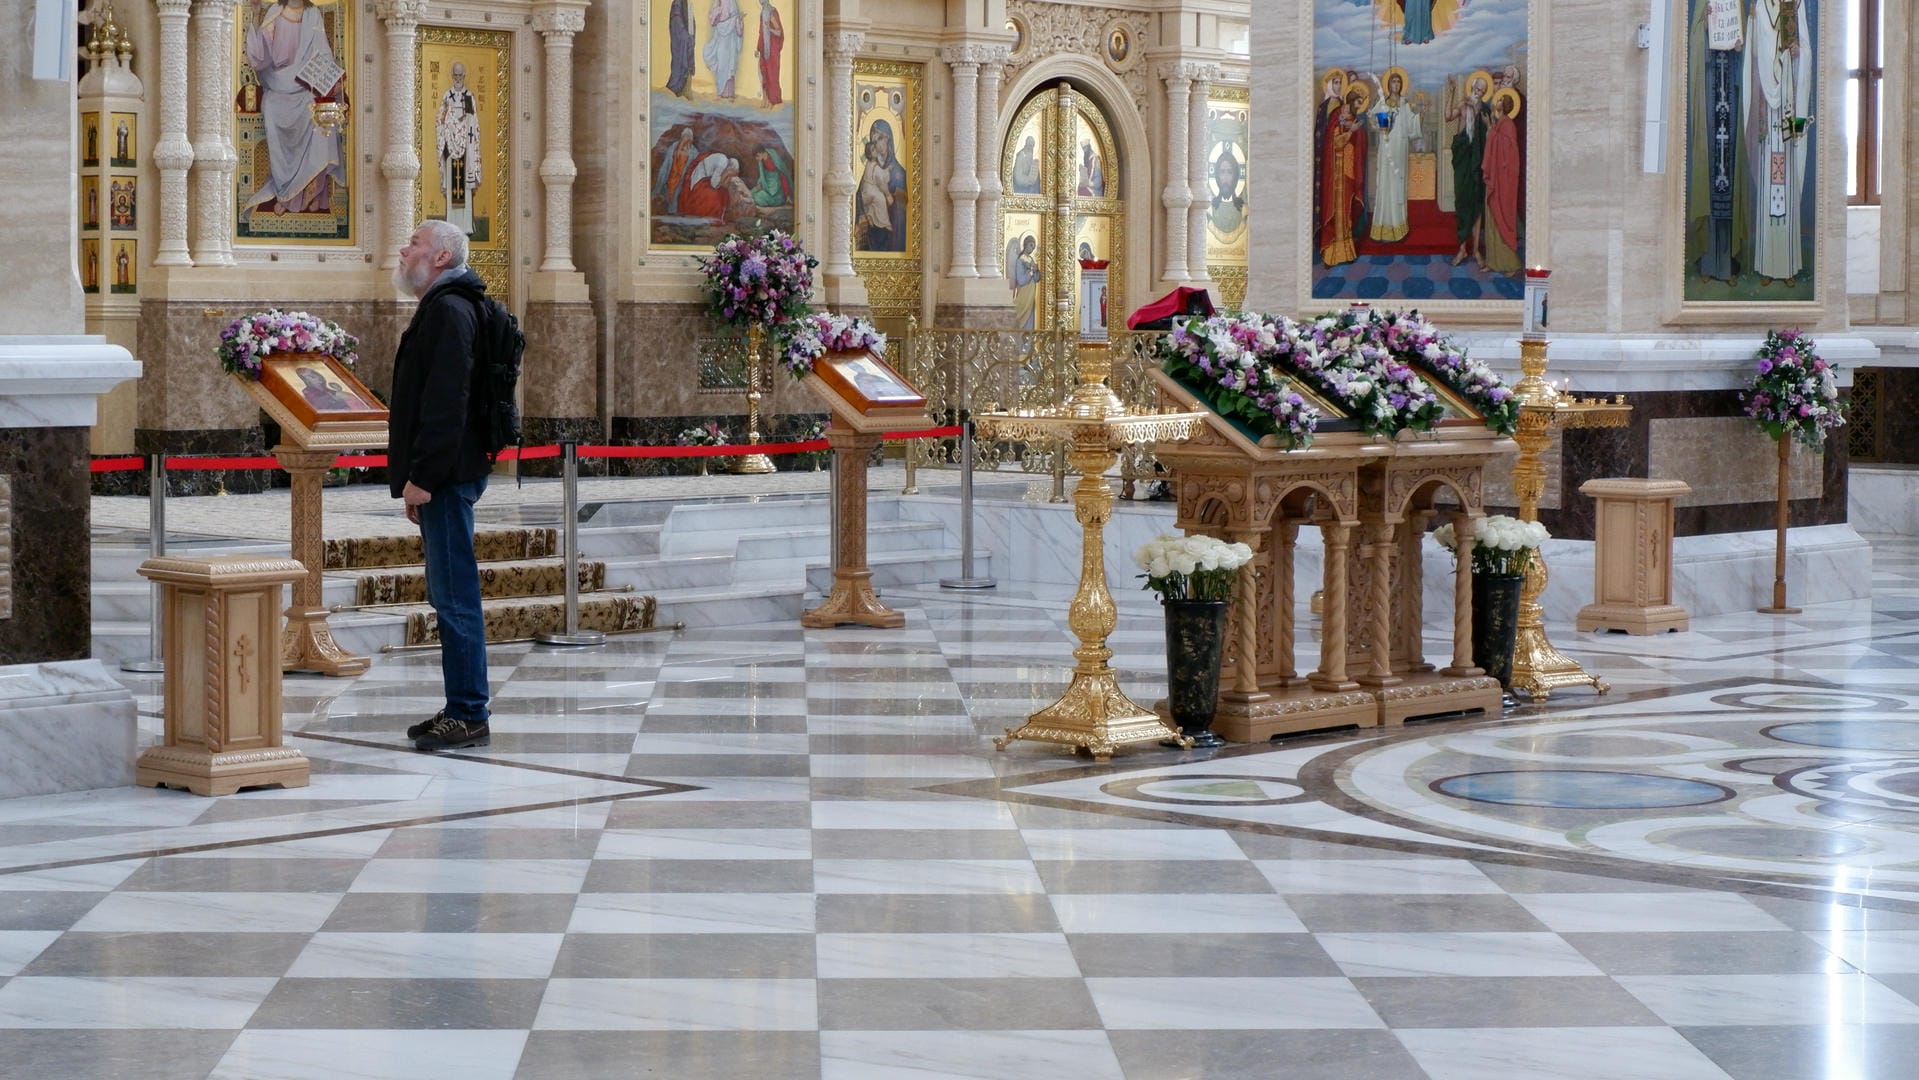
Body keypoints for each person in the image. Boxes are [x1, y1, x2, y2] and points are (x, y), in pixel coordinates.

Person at [388, 220, 495, 752]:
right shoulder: (447, 305)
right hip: (446, 474)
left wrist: (424, 478)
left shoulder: (450, 310)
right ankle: (461, 707)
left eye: (415, 244)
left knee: (454, 596)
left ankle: (469, 712)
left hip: (447, 475)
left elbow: (446, 404)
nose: (404, 249)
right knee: (449, 592)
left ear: (441, 256)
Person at [242, 0, 346, 216]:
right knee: (271, 109)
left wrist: (329, 79)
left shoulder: (312, 14)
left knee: (318, 115)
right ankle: (286, 193)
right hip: (278, 83)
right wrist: (256, 16)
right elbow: (261, 57)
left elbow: (322, 53)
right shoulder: (275, 11)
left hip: (306, 84)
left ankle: (314, 192)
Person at [1744, 0, 1811, 286]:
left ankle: (1788, 267)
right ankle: (1767, 266)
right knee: (1769, 189)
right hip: (1766, 113)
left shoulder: (1796, 3)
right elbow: (1755, 55)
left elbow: (1807, 49)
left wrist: (1798, 55)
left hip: (1788, 105)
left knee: (1786, 186)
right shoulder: (1758, 7)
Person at [1690, 0, 1745, 283]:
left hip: (1731, 104)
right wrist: (1703, 26)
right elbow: (1694, 47)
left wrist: (1739, 49)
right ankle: (1709, 265)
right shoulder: (1704, 4)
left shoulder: (1736, 7)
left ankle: (1729, 265)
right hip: (1710, 104)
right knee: (1710, 184)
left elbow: (1747, 60)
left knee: (1730, 186)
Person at [1369, 69, 1421, 243]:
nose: (1396, 85)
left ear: (1401, 85)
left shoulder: (1405, 104)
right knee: (1385, 184)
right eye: (1393, 82)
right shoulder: (1382, 103)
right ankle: (1382, 227)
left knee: (1398, 185)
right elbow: (1373, 119)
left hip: (1400, 148)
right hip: (1386, 149)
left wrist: (1421, 115)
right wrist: (1380, 123)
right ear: (1388, 85)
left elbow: (1412, 126)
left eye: (1399, 82)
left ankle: (1398, 226)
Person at [1319, 88, 1368, 267]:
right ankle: (1332, 253)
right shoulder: (1336, 116)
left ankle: (1346, 252)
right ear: (1351, 100)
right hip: (1336, 172)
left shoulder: (1352, 119)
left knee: (1346, 211)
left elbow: (1359, 143)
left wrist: (1357, 131)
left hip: (1348, 172)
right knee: (1335, 210)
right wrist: (1351, 131)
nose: (1358, 107)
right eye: (1357, 103)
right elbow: (1336, 143)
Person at [1448, 74, 1491, 267]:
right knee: (1462, 203)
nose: (1478, 92)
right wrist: (1452, 93)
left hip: (1477, 164)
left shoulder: (1484, 110)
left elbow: (1490, 136)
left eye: (1482, 90)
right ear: (1472, 86)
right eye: (1476, 88)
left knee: (1476, 205)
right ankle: (1463, 249)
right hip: (1463, 161)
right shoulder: (1464, 105)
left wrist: (1480, 116)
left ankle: (1475, 251)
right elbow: (1448, 117)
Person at [435, 62, 482, 235]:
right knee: (452, 185)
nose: (458, 79)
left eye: (460, 76)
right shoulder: (447, 96)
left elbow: (472, 120)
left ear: (464, 76)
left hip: (466, 149)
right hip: (450, 148)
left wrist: (462, 124)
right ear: (451, 76)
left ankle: (465, 225)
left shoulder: (469, 96)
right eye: (455, 75)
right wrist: (449, 124)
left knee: (465, 187)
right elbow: (440, 119)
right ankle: (451, 224)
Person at [1480, 90, 1524, 274]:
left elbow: (1508, 153)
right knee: (1491, 220)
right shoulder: (1501, 123)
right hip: (1495, 180)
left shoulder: (1508, 125)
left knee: (1502, 220)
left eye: (1500, 100)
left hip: (1503, 182)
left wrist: (1490, 129)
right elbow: (1494, 142)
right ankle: (1493, 261)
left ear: (1505, 104)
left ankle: (1511, 264)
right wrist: (1491, 126)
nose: (1496, 101)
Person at [856, 119, 908, 252]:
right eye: (873, 140)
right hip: (871, 232)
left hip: (890, 237)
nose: (876, 143)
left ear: (888, 140)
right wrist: (862, 214)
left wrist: (889, 196)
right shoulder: (872, 167)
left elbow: (903, 206)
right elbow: (860, 194)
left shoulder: (898, 173)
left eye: (879, 138)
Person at [653, 127, 700, 215]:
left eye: (689, 137)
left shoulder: (694, 151)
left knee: (679, 194)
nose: (687, 139)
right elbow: (667, 163)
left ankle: (675, 212)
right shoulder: (674, 146)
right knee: (668, 191)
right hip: (672, 175)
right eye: (685, 136)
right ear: (682, 137)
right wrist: (681, 145)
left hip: (684, 178)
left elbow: (695, 167)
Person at [704, 0, 745, 100]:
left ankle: (730, 94)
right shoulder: (717, 2)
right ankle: (721, 92)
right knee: (722, 64)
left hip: (730, 39)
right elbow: (712, 21)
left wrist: (739, 21)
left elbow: (737, 22)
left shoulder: (733, 2)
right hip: (721, 37)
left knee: (730, 65)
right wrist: (718, 9)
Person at [754, 0, 784, 106]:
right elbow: (761, 32)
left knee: (772, 75)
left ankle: (774, 101)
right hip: (764, 49)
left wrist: (769, 28)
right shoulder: (763, 13)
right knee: (763, 74)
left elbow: (779, 32)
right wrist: (758, 48)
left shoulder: (772, 12)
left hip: (772, 51)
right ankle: (765, 100)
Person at [1210, 148, 1246, 238]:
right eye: (1222, 172)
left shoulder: (1244, 210)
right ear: (1217, 176)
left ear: (1235, 177)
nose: (1225, 178)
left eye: (1229, 172)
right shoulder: (1210, 209)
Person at [1008, 234, 1040, 328]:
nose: (1032, 249)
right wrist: (1031, 272)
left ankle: (1029, 343)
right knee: (1022, 323)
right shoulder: (1020, 260)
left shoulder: (1031, 259)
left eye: (1033, 247)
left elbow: (1037, 278)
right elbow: (1021, 280)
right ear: (1025, 244)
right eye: (1031, 245)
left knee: (1030, 322)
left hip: (1030, 298)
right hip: (1024, 296)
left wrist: (1036, 271)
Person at [665, 0, 696, 97]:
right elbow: (675, 20)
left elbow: (692, 23)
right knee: (679, 66)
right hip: (680, 42)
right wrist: (684, 35)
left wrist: (691, 37)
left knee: (688, 66)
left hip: (688, 41)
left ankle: (686, 90)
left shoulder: (689, 4)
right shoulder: (677, 3)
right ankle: (676, 90)